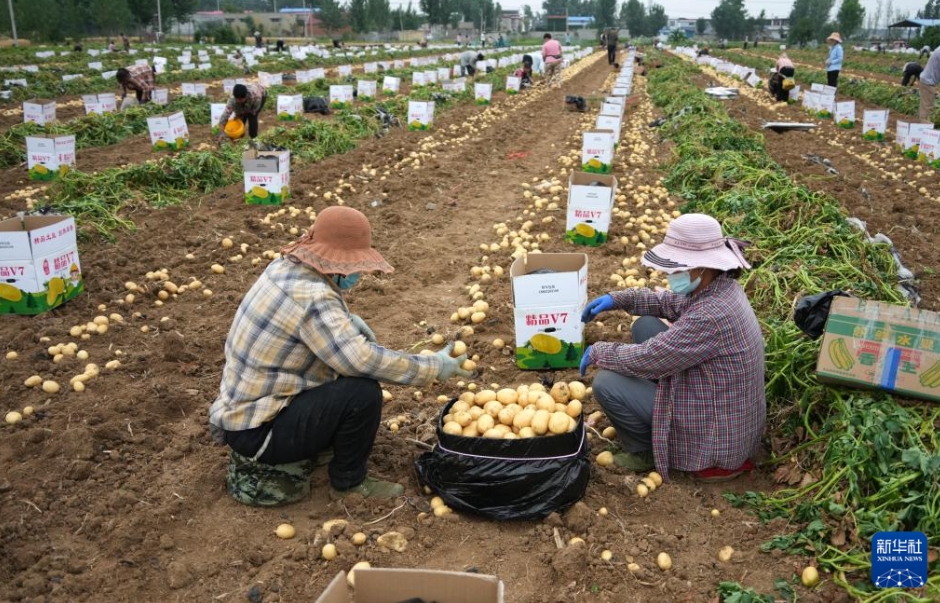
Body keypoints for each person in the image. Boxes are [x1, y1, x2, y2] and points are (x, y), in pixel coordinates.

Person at [210, 207, 473, 506]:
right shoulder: (314, 298)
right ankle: (349, 484)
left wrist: (348, 319)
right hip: (260, 433)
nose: (357, 273)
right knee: (361, 394)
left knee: (342, 380)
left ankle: (316, 445)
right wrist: (433, 367)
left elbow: (310, 327)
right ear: (336, 264)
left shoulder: (284, 267)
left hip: (244, 415)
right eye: (355, 265)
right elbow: (361, 360)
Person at [579, 214, 765, 481]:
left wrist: (599, 352)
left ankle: (645, 451)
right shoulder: (718, 286)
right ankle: (650, 417)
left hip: (714, 440)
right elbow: (670, 304)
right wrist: (618, 299)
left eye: (677, 267)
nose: (669, 273)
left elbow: (649, 358)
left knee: (607, 382)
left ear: (701, 266)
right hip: (721, 407)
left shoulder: (711, 315)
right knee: (645, 324)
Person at [920, 46, 940, 122]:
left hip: (929, 81)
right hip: (928, 82)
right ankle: (925, 130)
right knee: (927, 110)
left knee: (928, 108)